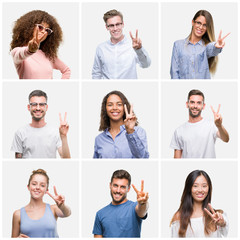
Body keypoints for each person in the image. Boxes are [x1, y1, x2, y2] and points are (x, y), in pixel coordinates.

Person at [10, 10, 71, 79]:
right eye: (40, 27)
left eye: (47, 30)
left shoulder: (48, 55)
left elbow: (66, 70)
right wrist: (30, 50)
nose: (43, 32)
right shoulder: (16, 52)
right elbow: (21, 54)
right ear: (28, 26)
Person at [170, 10, 230, 79]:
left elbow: (211, 49)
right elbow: (174, 72)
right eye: (198, 23)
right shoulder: (178, 45)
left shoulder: (206, 46)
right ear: (193, 22)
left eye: (205, 25)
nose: (201, 27)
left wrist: (217, 46)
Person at [11, 169, 71, 238]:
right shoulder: (18, 214)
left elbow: (67, 213)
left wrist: (62, 206)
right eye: (34, 184)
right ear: (28, 187)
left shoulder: (53, 209)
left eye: (42, 185)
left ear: (46, 190)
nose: (37, 187)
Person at [11, 90, 71, 158]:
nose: (38, 108)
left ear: (46, 107)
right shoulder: (20, 133)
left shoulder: (55, 132)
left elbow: (66, 158)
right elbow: (18, 162)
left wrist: (63, 136)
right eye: (34, 104)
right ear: (28, 107)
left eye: (42, 104)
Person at [92, 9, 151, 79]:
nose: (115, 28)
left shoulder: (133, 45)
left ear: (123, 24)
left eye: (118, 24)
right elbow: (96, 73)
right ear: (107, 27)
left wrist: (139, 50)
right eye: (111, 25)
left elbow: (146, 65)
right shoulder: (101, 48)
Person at [170, 89, 229, 158]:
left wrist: (219, 126)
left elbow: (226, 139)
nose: (195, 106)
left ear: (203, 106)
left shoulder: (211, 125)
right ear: (187, 104)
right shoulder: (179, 131)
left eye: (198, 103)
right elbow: (177, 159)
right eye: (192, 102)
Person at [170, 170, 228, 237]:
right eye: (195, 186)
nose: (200, 190)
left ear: (209, 188)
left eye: (204, 186)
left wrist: (222, 223)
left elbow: (225, 233)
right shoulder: (178, 217)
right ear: (189, 188)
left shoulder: (217, 216)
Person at [93, 169, 149, 237]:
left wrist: (142, 203)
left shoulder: (134, 207)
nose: (118, 190)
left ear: (128, 189)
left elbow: (142, 211)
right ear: (110, 185)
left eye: (122, 187)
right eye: (115, 186)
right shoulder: (100, 214)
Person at [94, 90, 149, 158]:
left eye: (119, 104)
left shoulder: (138, 132)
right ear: (105, 108)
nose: (114, 108)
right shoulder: (99, 139)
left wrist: (130, 131)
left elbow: (142, 157)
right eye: (110, 105)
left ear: (124, 107)